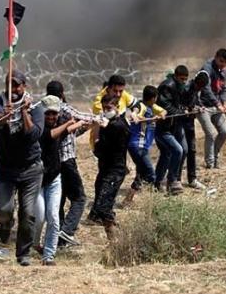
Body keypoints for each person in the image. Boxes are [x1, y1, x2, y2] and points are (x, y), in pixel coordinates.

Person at [0, 69, 44, 265]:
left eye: (17, 85)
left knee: (28, 213)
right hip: (6, 169)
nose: (13, 89)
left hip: (31, 169)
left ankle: (23, 253)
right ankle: (5, 224)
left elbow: (33, 135)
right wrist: (7, 113)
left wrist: (23, 112)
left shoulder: (36, 107)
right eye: (9, 84)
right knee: (4, 209)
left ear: (24, 86)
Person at [35, 96, 86, 266]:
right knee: (40, 217)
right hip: (37, 180)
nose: (51, 117)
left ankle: (49, 255)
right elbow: (51, 135)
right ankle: (35, 243)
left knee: (54, 217)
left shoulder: (58, 125)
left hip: (54, 178)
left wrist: (83, 123)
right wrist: (70, 122)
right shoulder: (38, 129)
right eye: (48, 113)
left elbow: (67, 131)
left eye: (54, 114)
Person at [45, 81, 96, 248]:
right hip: (66, 161)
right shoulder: (63, 108)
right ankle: (67, 231)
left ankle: (58, 239)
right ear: (62, 93)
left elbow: (67, 135)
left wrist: (83, 128)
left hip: (51, 163)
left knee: (58, 201)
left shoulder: (44, 110)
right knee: (79, 199)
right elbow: (84, 117)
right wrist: (100, 119)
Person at [87, 94, 131, 238]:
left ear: (117, 107)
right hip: (106, 167)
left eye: (109, 108)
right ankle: (97, 217)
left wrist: (101, 130)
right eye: (104, 108)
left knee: (104, 203)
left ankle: (112, 236)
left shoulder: (117, 125)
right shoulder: (109, 124)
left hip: (115, 170)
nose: (106, 111)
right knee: (100, 195)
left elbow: (100, 148)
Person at [126, 86, 166, 199]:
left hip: (141, 146)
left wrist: (161, 115)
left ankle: (129, 199)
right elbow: (136, 115)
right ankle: (153, 199)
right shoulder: (141, 107)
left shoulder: (151, 106)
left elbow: (163, 111)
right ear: (154, 98)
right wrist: (149, 119)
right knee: (150, 174)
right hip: (137, 146)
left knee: (141, 172)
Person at [198, 48, 226, 169]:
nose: (223, 64)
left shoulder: (223, 70)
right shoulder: (207, 69)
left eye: (225, 62)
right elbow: (206, 89)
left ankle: (215, 156)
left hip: (217, 106)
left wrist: (224, 102)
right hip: (203, 106)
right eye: (221, 61)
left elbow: (224, 88)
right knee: (211, 134)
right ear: (216, 57)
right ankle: (210, 163)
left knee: (225, 132)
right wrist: (218, 104)